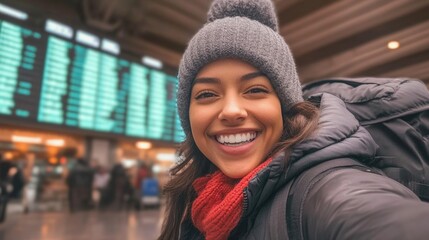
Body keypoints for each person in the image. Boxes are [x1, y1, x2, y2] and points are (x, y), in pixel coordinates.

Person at [158, 0, 429, 239]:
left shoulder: (321, 189)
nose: (231, 110)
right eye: (207, 94)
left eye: (255, 90)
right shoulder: (202, 196)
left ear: (284, 107)